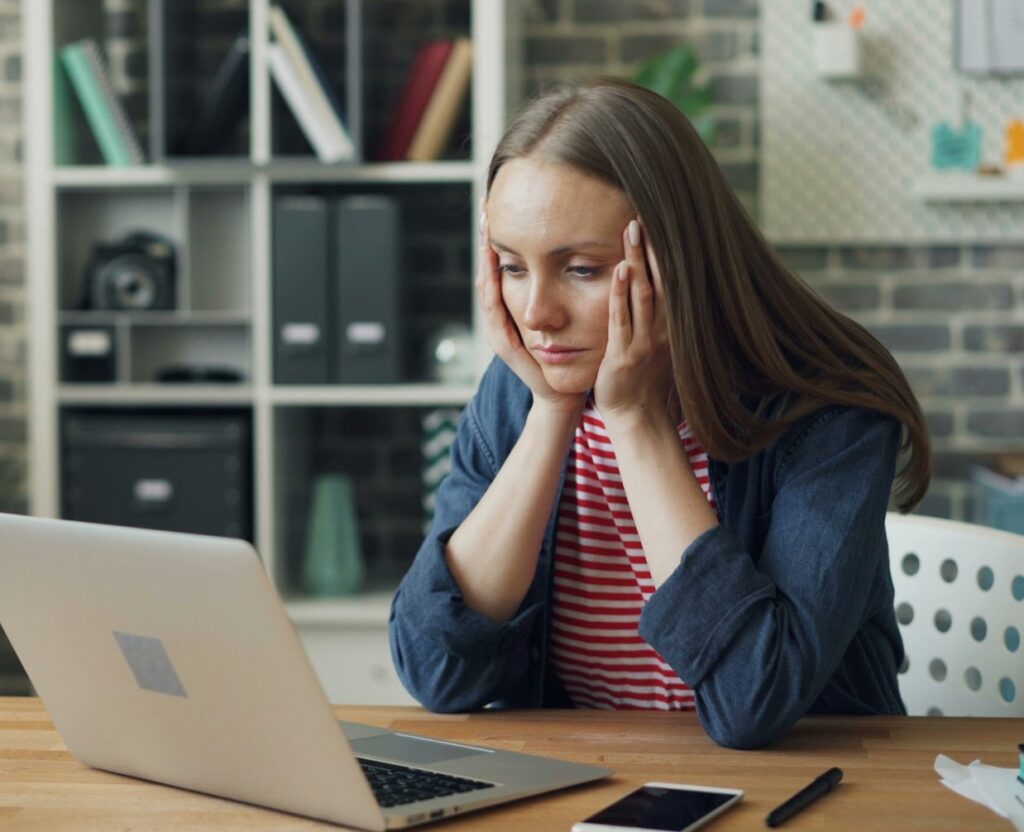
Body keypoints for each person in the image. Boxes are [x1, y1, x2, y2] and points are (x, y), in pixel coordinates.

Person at [388, 77, 930, 749]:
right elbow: (436, 671)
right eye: (511, 266)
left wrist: (637, 422)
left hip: (807, 794)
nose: (536, 316)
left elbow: (752, 701)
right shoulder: (523, 389)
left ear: (679, 258)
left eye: (581, 269)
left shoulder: (827, 409)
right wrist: (552, 412)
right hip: (589, 781)